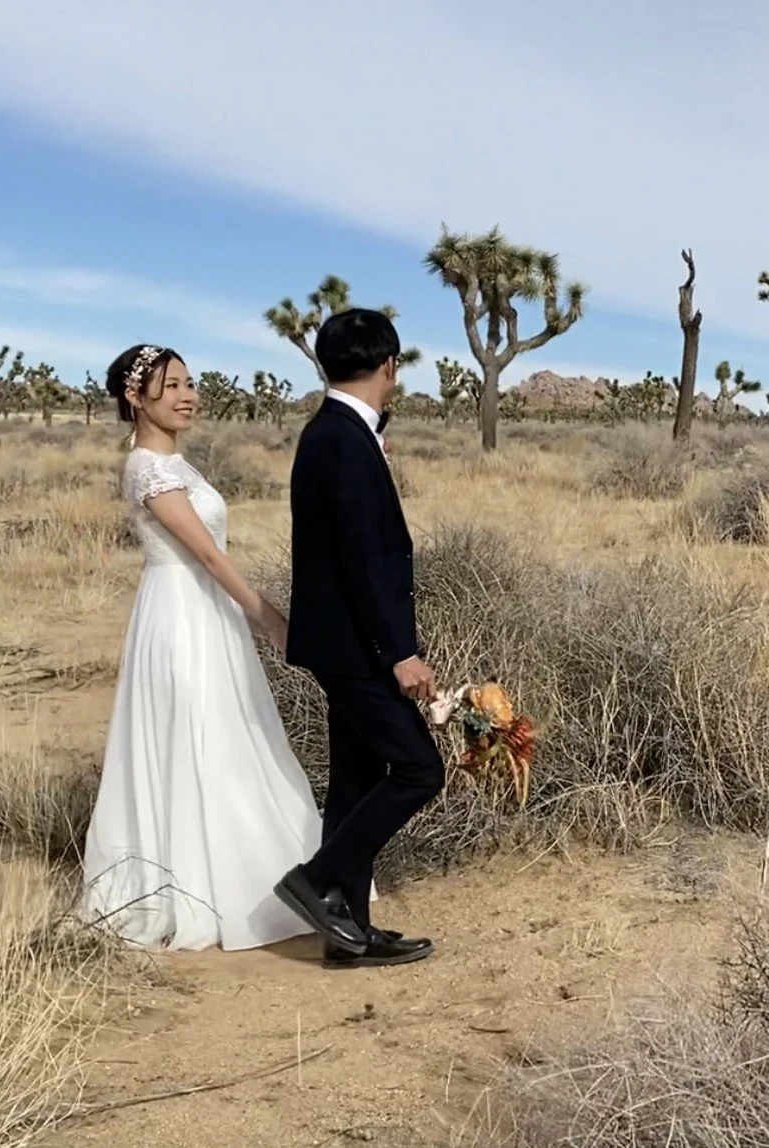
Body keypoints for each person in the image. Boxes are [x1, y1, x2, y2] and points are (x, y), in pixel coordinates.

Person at [76, 344, 327, 951]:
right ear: (136, 397)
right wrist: (270, 617)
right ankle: (209, 886)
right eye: (172, 386)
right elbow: (208, 557)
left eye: (192, 383)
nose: (189, 395)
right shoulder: (148, 468)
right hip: (182, 617)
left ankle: (265, 875)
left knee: (230, 732)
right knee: (201, 733)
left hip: (204, 615)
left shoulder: (176, 464)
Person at [271, 308, 443, 968]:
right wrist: (399, 652)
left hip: (341, 642)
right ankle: (317, 881)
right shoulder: (342, 439)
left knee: (355, 782)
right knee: (419, 769)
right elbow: (361, 556)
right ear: (389, 365)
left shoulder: (340, 432)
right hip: (357, 646)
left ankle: (349, 935)